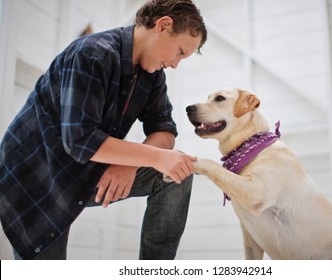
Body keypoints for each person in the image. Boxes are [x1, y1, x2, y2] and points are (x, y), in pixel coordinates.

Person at [0, 0, 207, 260]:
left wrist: (131, 164)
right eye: (179, 52)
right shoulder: (93, 53)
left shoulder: (153, 74)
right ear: (163, 26)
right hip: (38, 176)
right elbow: (80, 140)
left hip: (87, 167)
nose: (176, 64)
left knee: (178, 173)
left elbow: (164, 130)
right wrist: (151, 156)